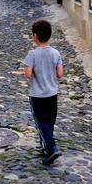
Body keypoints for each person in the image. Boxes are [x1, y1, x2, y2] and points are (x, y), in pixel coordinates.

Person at [23, 20, 64, 165]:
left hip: (37, 95)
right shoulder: (56, 53)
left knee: (41, 123)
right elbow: (60, 74)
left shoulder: (32, 54)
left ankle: (52, 148)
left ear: (34, 36)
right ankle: (45, 146)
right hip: (52, 94)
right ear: (49, 36)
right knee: (50, 121)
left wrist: (30, 70)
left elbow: (28, 74)